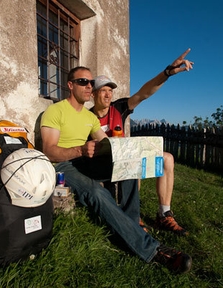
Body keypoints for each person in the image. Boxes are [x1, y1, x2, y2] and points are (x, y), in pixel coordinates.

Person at [40, 66, 192, 274]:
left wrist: (126, 152)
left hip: (86, 160)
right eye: (83, 82)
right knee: (96, 193)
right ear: (70, 85)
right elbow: (49, 151)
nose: (88, 86)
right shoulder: (55, 111)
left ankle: (131, 226)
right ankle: (154, 251)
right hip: (64, 165)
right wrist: (79, 149)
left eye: (90, 82)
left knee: (128, 164)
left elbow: (107, 145)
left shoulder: (90, 118)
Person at [90, 48, 194, 236]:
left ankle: (164, 214)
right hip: (104, 162)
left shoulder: (119, 108)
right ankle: (133, 214)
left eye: (110, 90)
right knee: (132, 161)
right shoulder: (86, 117)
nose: (108, 95)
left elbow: (144, 93)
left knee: (167, 158)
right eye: (103, 90)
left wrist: (167, 72)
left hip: (125, 155)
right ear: (93, 94)